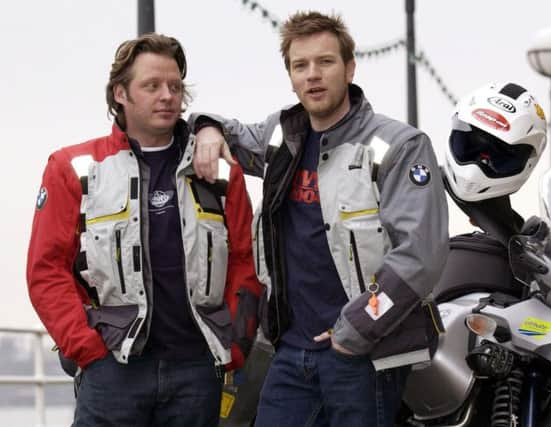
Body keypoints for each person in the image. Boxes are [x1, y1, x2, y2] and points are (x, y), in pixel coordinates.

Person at [191, 11, 449, 427]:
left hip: (366, 352)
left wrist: (355, 331)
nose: (313, 75)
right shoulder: (283, 135)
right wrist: (206, 129)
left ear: (349, 68)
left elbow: (421, 256)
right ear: (290, 76)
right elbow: (231, 133)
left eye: (325, 62)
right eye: (300, 65)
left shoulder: (399, 146)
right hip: (291, 350)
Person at [26, 33, 262, 427]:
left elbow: (245, 262)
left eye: (175, 86)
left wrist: (234, 345)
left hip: (196, 371)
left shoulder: (219, 171)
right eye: (152, 86)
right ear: (120, 93)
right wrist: (86, 349)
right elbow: (45, 271)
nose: (168, 96)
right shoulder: (74, 169)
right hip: (112, 370)